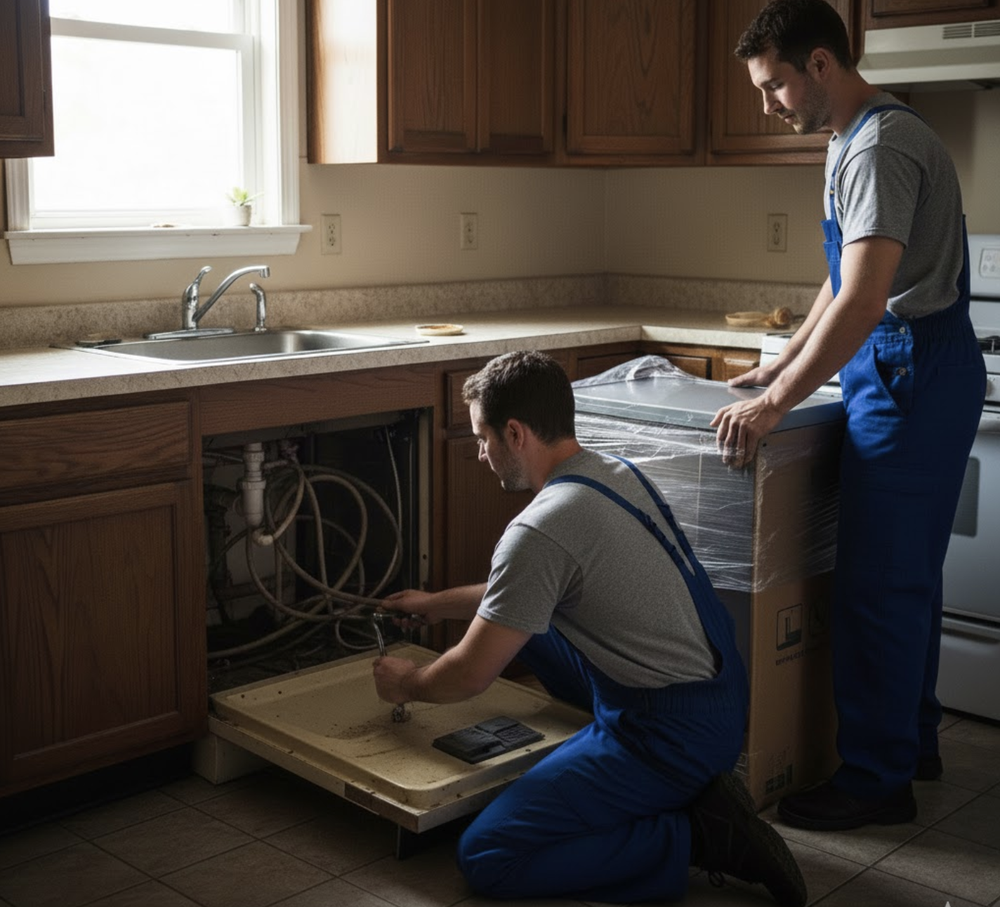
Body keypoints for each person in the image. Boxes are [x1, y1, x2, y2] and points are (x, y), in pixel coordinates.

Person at [372, 350, 806, 907]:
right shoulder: (614, 472)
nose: (480, 453)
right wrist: (436, 604)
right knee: (532, 624)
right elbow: (525, 596)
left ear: (515, 432)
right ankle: (651, 790)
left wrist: (407, 682)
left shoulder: (539, 529)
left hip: (668, 735)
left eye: (483, 438)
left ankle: (700, 835)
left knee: (489, 855)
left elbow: (470, 675)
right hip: (718, 695)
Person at [711, 0, 986, 832]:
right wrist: (785, 359)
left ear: (822, 66)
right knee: (908, 578)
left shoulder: (879, 146)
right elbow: (841, 277)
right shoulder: (846, 140)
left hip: (914, 370)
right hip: (902, 363)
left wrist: (772, 404)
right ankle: (913, 742)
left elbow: (866, 298)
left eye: (775, 85)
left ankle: (874, 778)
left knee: (877, 583)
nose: (767, 105)